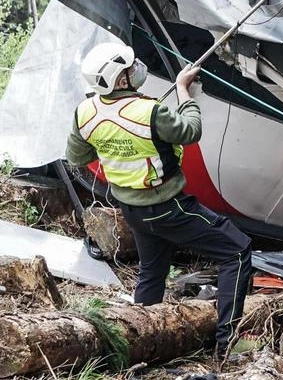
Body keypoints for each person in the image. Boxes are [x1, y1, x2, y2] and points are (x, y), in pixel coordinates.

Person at [66, 42, 253, 354]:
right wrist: (183, 90)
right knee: (236, 252)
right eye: (130, 66)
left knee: (152, 272)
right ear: (121, 79)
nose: (137, 67)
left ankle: (139, 344)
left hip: (132, 209)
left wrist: (111, 143)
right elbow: (191, 131)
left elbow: (77, 155)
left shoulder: (85, 112)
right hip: (168, 207)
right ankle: (229, 346)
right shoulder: (150, 112)